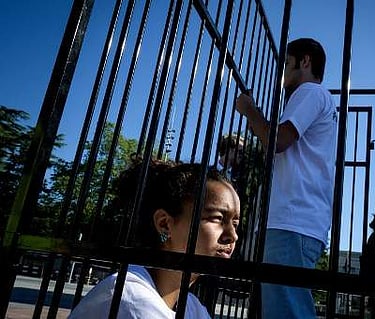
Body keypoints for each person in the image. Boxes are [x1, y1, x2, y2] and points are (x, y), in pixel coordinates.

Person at [235, 38, 337, 319]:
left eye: (286, 63)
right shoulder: (316, 98)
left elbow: (276, 141)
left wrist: (249, 109)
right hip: (295, 224)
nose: (281, 72)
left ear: (305, 61)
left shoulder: (311, 92)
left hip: (292, 222)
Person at [68, 160, 240, 319]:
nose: (232, 235)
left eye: (235, 223)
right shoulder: (130, 300)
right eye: (217, 218)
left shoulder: (191, 306)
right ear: (164, 224)